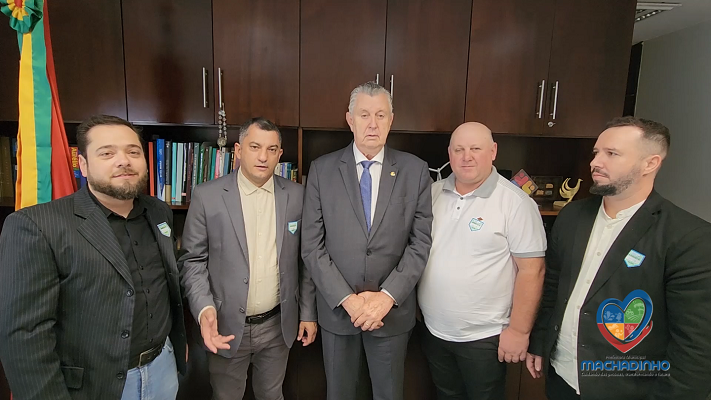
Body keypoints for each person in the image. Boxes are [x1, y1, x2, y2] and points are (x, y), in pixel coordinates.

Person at [0, 115, 187, 400]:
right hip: (94, 385)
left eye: (133, 152)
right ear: (84, 165)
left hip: (163, 368)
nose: (123, 161)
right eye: (107, 153)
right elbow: (24, 336)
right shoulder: (36, 225)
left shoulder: (159, 211)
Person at [527, 117, 711, 400]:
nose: (595, 162)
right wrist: (540, 341)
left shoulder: (688, 237)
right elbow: (553, 286)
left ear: (650, 164)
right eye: (596, 152)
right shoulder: (572, 216)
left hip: (627, 389)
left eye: (611, 154)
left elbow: (695, 345)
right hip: (562, 377)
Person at [301, 81, 433, 400]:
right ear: (350, 120)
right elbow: (312, 246)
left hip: (391, 314)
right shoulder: (321, 170)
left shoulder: (415, 171)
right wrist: (348, 299)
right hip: (338, 311)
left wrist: (386, 298)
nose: (372, 124)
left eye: (380, 115)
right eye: (364, 115)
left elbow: (420, 243)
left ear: (391, 120)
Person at [179, 117, 317, 400]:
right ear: (239, 150)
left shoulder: (298, 196)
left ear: (280, 154)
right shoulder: (207, 196)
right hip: (226, 324)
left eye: (271, 149)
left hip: (278, 325)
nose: (263, 157)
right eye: (255, 147)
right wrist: (204, 309)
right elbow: (192, 261)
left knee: (272, 395)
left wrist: (307, 313)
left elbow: (306, 260)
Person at [418, 122, 546, 400]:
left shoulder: (516, 203)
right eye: (459, 150)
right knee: (446, 395)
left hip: (485, 337)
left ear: (493, 151)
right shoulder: (431, 194)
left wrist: (519, 330)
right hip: (434, 331)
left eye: (476, 149)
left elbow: (532, 271)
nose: (467, 157)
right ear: (449, 154)